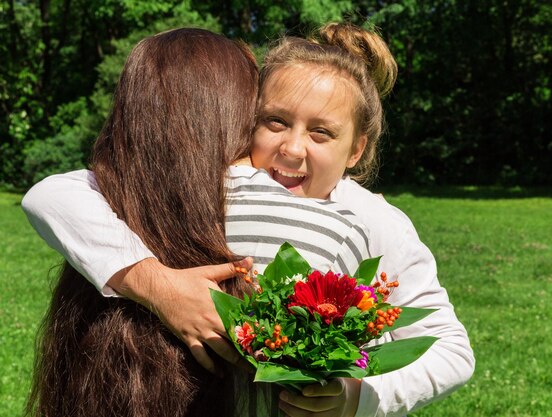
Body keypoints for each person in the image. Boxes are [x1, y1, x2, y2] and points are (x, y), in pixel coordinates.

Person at [24, 23, 475, 417]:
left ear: (356, 150)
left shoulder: (373, 218)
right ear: (244, 122)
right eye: (274, 122)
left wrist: (359, 397)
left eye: (321, 132)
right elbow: (54, 193)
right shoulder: (218, 184)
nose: (293, 148)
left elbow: (449, 349)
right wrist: (157, 284)